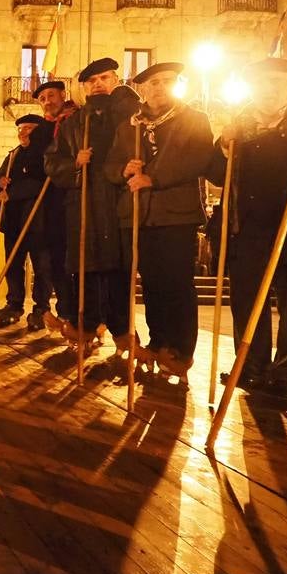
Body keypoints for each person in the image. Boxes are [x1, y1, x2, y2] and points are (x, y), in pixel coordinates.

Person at [207, 57, 287, 396]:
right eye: (261, 84)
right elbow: (215, 176)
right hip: (248, 229)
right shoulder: (239, 129)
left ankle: (286, 373)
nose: (268, 90)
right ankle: (251, 366)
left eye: (277, 83)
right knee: (246, 301)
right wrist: (223, 147)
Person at [104, 61, 213, 382]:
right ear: (142, 89)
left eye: (166, 81)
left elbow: (197, 159)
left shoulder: (193, 119)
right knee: (150, 284)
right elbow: (110, 165)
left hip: (174, 215)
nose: (159, 87)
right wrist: (123, 170)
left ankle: (180, 350)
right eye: (152, 83)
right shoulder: (129, 126)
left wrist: (153, 177)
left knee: (176, 284)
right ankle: (158, 342)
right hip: (138, 215)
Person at [45, 57, 139, 354]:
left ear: (116, 80)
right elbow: (51, 162)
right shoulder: (74, 122)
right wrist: (75, 162)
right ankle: (85, 327)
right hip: (83, 204)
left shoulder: (129, 116)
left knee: (118, 271)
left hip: (117, 204)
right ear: (84, 88)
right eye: (92, 81)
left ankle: (123, 332)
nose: (98, 84)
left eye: (105, 78)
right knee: (85, 270)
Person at [0, 81, 72, 329]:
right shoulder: (14, 154)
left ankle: (41, 308)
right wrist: (0, 180)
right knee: (13, 265)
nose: (25, 133)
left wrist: (13, 191)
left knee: (43, 267)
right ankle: (14, 303)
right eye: (21, 129)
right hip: (13, 221)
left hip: (39, 220)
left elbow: (41, 182)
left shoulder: (43, 152)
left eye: (30, 129)